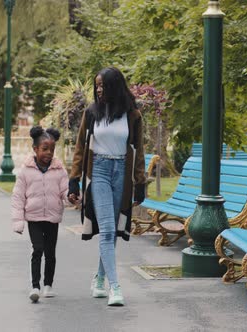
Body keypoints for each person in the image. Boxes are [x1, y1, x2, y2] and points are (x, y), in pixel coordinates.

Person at [68, 67, 146, 307]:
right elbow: (81, 146)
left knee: (112, 230)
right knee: (109, 229)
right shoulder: (92, 113)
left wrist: (140, 183)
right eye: (97, 86)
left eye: (103, 85)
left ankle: (100, 277)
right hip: (99, 171)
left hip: (121, 173)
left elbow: (138, 150)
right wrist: (75, 179)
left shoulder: (132, 115)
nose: (99, 90)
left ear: (115, 86)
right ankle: (115, 287)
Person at [11, 126, 68, 303]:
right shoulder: (25, 171)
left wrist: (73, 197)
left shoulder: (59, 170)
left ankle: (48, 284)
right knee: (38, 249)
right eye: (45, 149)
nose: (49, 153)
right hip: (34, 218)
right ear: (35, 149)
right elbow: (18, 197)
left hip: (52, 217)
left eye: (52, 149)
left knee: (50, 252)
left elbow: (65, 191)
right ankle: (35, 286)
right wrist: (18, 221)